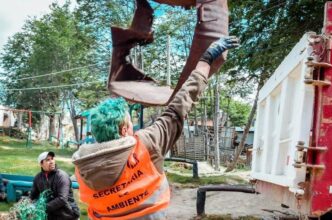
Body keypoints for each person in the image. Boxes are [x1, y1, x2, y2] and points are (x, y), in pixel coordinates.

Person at [72, 36, 239, 219]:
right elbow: (178, 107)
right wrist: (206, 59)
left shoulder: (83, 166)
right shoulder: (146, 144)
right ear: (123, 130)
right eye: (130, 122)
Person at [31, 151, 80, 220]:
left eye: (52, 159)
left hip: (67, 214)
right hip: (51, 215)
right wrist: (28, 204)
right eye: (48, 160)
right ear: (41, 164)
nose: (51, 162)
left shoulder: (61, 176)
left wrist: (42, 207)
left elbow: (62, 199)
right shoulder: (38, 178)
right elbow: (33, 195)